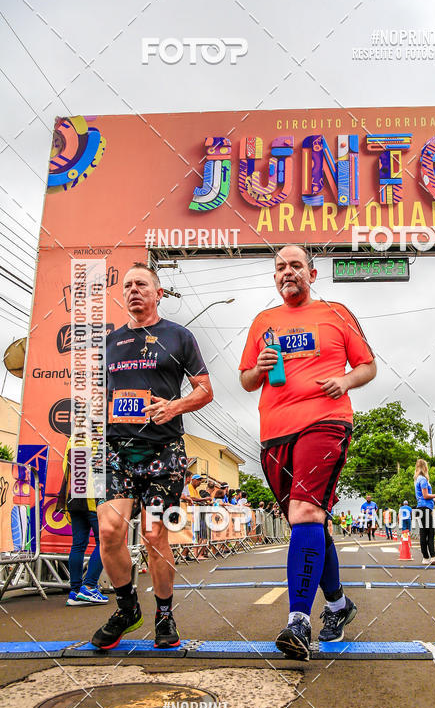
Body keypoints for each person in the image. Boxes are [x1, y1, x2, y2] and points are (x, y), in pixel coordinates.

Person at [239, 244, 376, 659]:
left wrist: (346, 382)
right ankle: (338, 604)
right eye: (280, 267)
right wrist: (260, 368)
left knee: (306, 513)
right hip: (275, 431)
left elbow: (367, 365)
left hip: (326, 420)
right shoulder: (264, 321)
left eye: (295, 265)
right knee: (309, 525)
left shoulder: (336, 313)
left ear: (312, 275)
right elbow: (245, 380)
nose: (287, 272)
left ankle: (298, 622)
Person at [91, 263, 213, 650]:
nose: (133, 291)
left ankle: (164, 613)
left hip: (164, 452)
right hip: (117, 451)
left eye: (141, 284)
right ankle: (128, 609)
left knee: (154, 534)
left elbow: (205, 390)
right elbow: (98, 398)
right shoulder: (110, 344)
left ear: (158, 293)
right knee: (109, 531)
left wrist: (174, 406)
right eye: (127, 286)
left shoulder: (179, 337)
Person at [57, 434, 108, 606]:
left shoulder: (72, 438)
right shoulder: (98, 437)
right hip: (93, 496)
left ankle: (75, 591)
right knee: (105, 541)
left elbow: (66, 466)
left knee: (78, 544)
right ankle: (90, 587)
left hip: (72, 496)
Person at [414, 458, 435, 565]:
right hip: (425, 508)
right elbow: (426, 495)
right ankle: (432, 556)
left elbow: (426, 496)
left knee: (424, 532)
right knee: (430, 532)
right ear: (425, 467)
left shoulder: (418, 479)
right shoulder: (423, 479)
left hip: (421, 508)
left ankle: (426, 557)